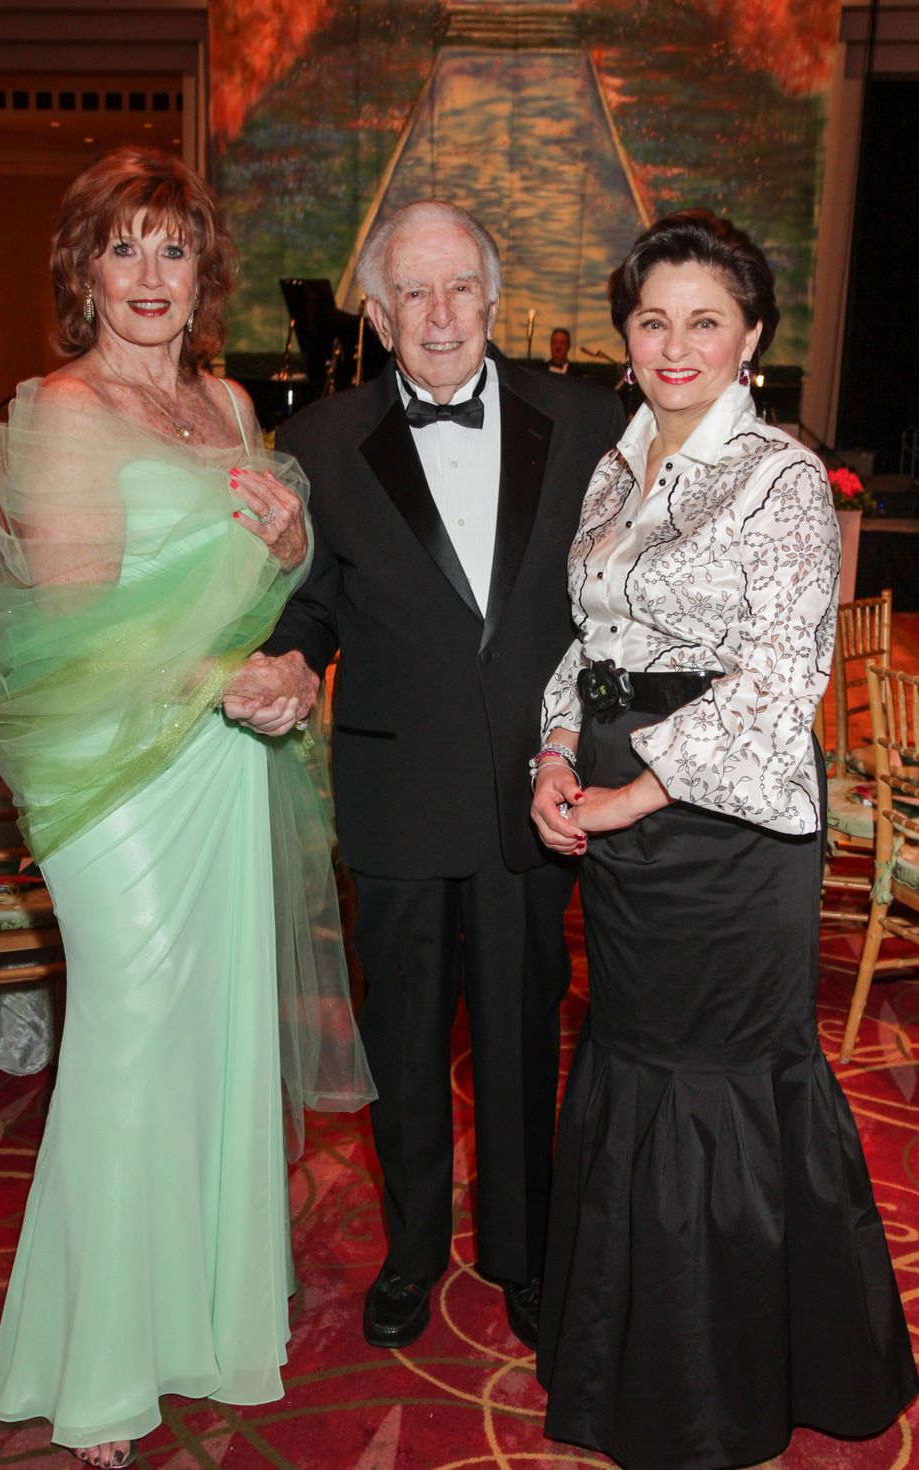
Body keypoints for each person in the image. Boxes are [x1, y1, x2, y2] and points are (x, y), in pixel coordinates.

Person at [0, 148, 372, 1468]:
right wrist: (225, 674)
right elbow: (76, 631)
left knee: (214, 1034)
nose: (150, 275)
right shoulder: (58, 409)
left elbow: (242, 584)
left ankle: (203, 1320)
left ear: (205, 273)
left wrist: (281, 574)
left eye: (175, 249)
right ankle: (98, 1367)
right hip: (113, 769)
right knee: (133, 1033)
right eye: (123, 246)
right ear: (82, 267)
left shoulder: (227, 397)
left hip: (217, 756)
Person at [531, 209, 917, 1469]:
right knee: (636, 1062)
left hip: (724, 829)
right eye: (652, 320)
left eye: (705, 319)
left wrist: (632, 794)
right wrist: (551, 753)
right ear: (625, 337)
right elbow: (589, 648)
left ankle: (727, 1384)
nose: (675, 343)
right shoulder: (612, 465)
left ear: (749, 336)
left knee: (718, 1081)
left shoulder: (781, 478)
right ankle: (632, 1358)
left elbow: (776, 677)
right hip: (615, 812)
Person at [231, 200, 625, 1351]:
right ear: (377, 309)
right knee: (402, 1049)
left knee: (521, 1040)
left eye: (459, 288)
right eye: (413, 292)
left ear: (493, 299)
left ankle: (520, 1252)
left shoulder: (591, 420)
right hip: (395, 801)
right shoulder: (316, 443)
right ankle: (412, 1253)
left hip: (531, 797)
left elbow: (616, 605)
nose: (440, 314)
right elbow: (305, 608)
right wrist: (291, 668)